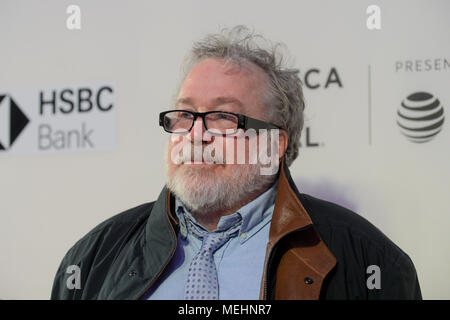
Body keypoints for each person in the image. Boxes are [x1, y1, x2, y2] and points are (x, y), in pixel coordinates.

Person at [51, 26, 421, 300]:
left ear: (274, 144)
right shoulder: (93, 259)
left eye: (224, 117)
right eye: (185, 114)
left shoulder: (369, 260)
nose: (196, 134)